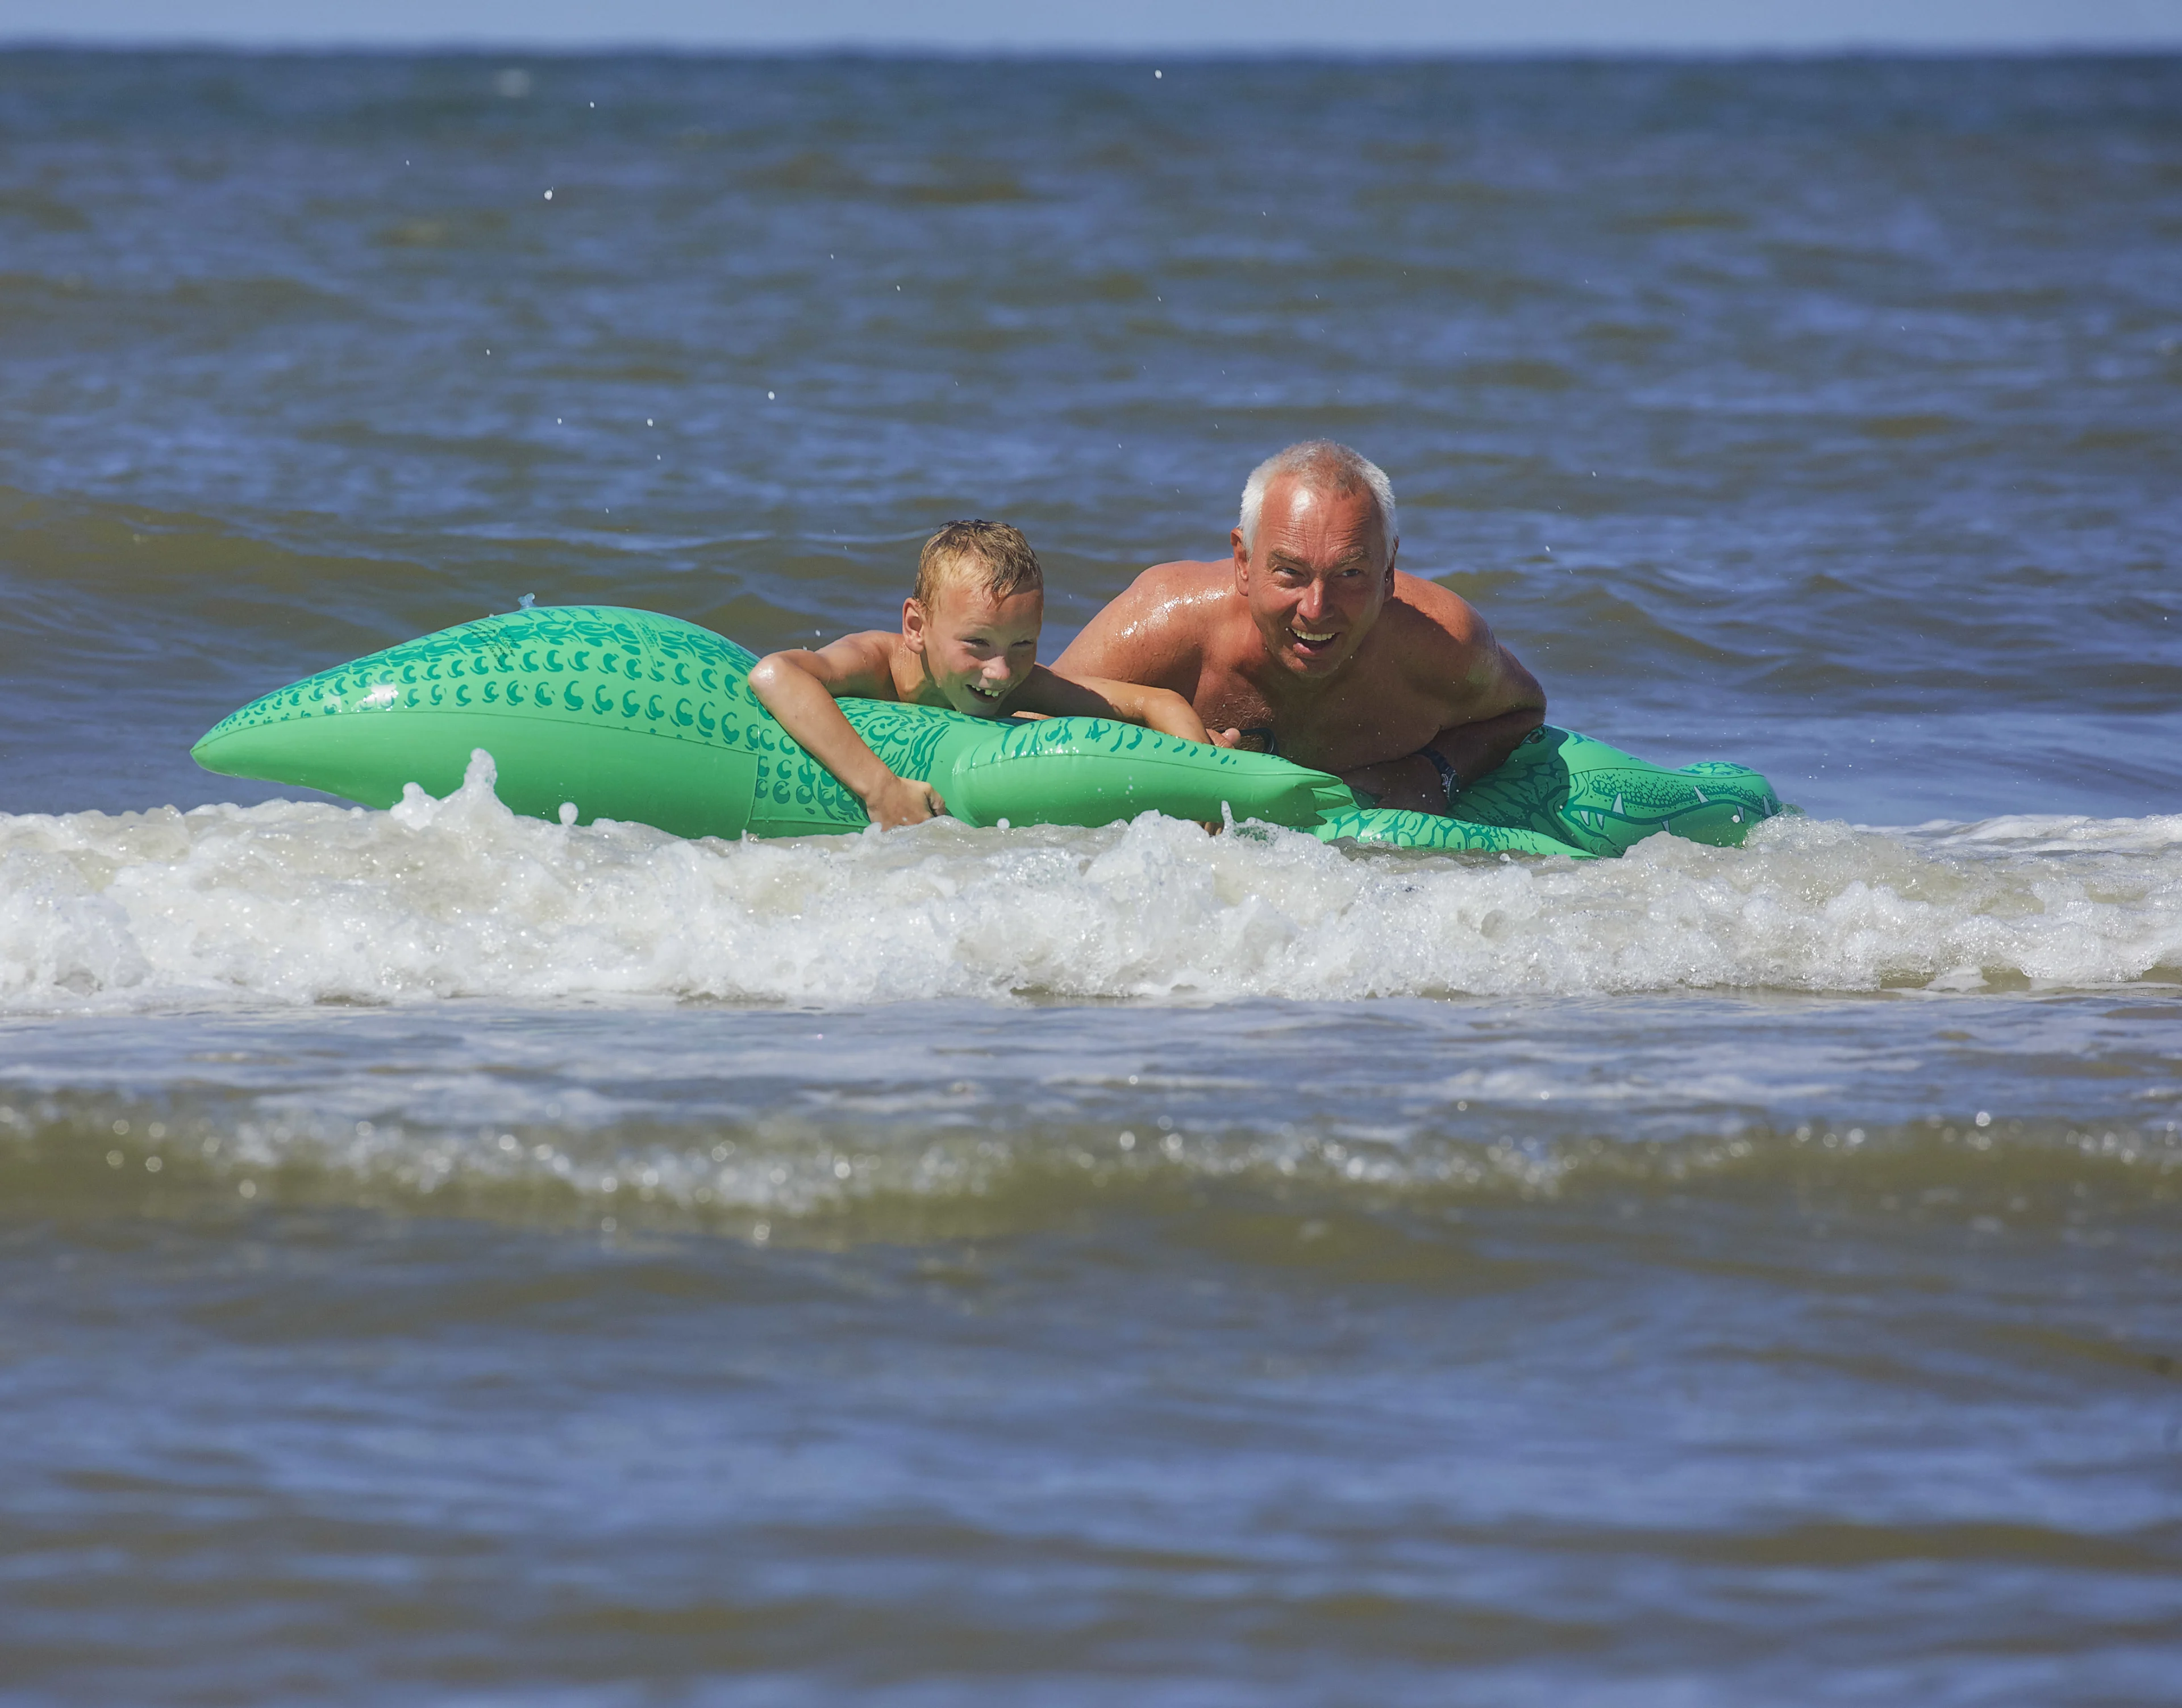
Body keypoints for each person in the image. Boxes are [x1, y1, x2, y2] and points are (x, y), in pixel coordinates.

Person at [1055, 440, 1545, 815]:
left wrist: (1435, 772)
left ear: (1389, 571)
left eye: (1349, 574)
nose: (1315, 608)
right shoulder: (1167, 621)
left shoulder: (1445, 643)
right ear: (1243, 562)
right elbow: (1023, 719)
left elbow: (1522, 711)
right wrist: (1163, 739)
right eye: (1290, 572)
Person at [749, 519, 1217, 829]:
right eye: (976, 643)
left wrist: (1207, 787)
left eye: (1023, 645)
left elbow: (1160, 703)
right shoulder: (877, 664)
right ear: (916, 626)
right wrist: (881, 789)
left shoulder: (1020, 682)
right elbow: (775, 673)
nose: (999, 671)